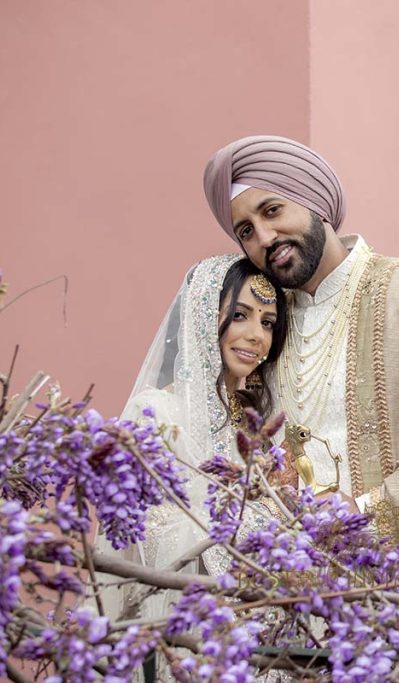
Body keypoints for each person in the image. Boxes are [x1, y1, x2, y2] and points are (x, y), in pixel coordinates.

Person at [202, 136, 399, 532]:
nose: (265, 237)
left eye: (273, 210)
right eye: (246, 231)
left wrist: (365, 510)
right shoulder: (266, 324)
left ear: (314, 200)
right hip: (288, 580)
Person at [97, 254, 287, 680]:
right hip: (194, 637)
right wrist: (250, 524)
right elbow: (142, 536)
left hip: (265, 633)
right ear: (204, 316)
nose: (256, 336)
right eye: (240, 316)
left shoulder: (260, 425)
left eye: (268, 322)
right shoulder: (156, 414)